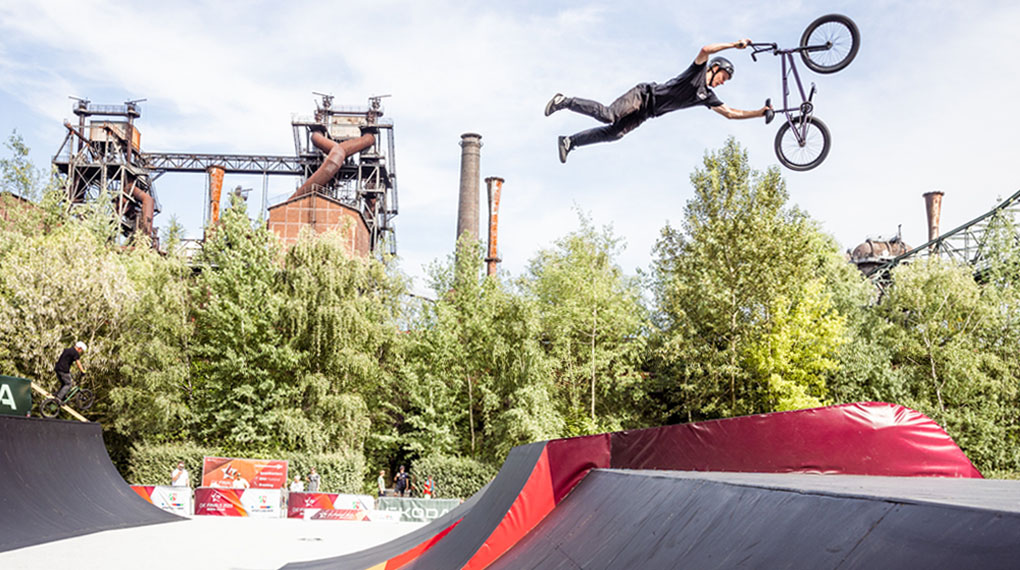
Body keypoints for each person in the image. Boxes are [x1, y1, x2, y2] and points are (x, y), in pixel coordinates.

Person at [544, 39, 771, 163]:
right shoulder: (698, 72)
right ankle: (564, 101)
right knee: (609, 115)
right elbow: (705, 49)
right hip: (643, 95)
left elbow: (731, 113)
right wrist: (733, 45)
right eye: (724, 77)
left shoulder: (707, 96)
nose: (723, 82)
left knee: (615, 133)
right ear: (715, 68)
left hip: (647, 113)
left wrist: (760, 112)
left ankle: (570, 142)